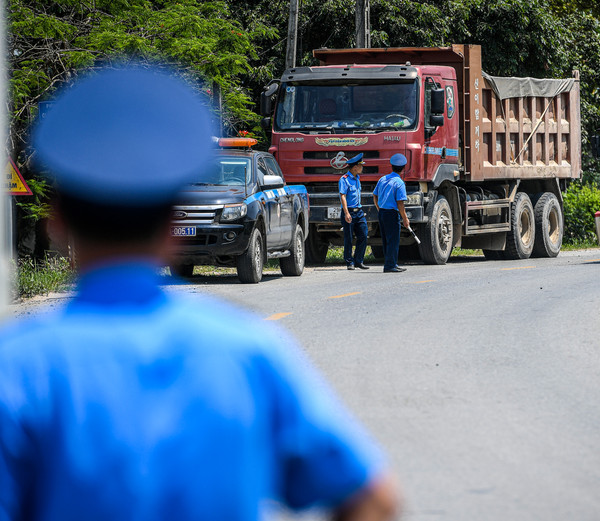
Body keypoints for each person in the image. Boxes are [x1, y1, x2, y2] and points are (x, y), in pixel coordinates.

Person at [0, 67, 398, 521]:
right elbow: (372, 499)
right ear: (174, 221)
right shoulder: (247, 351)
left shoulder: (17, 369)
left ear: (57, 223)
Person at [373, 154, 410, 273]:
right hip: (391, 214)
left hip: (382, 212)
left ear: (392, 166)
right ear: (403, 168)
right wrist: (405, 218)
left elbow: (375, 195)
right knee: (393, 240)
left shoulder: (383, 179)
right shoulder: (399, 183)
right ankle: (390, 265)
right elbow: (400, 203)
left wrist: (379, 208)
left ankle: (391, 262)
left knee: (386, 239)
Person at [339, 153, 369, 270]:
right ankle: (349, 262)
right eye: (361, 166)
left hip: (359, 211)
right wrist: (346, 213)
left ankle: (359, 260)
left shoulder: (357, 178)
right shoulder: (344, 179)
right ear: (355, 167)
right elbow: (343, 196)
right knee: (349, 238)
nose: (362, 168)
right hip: (349, 212)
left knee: (363, 235)